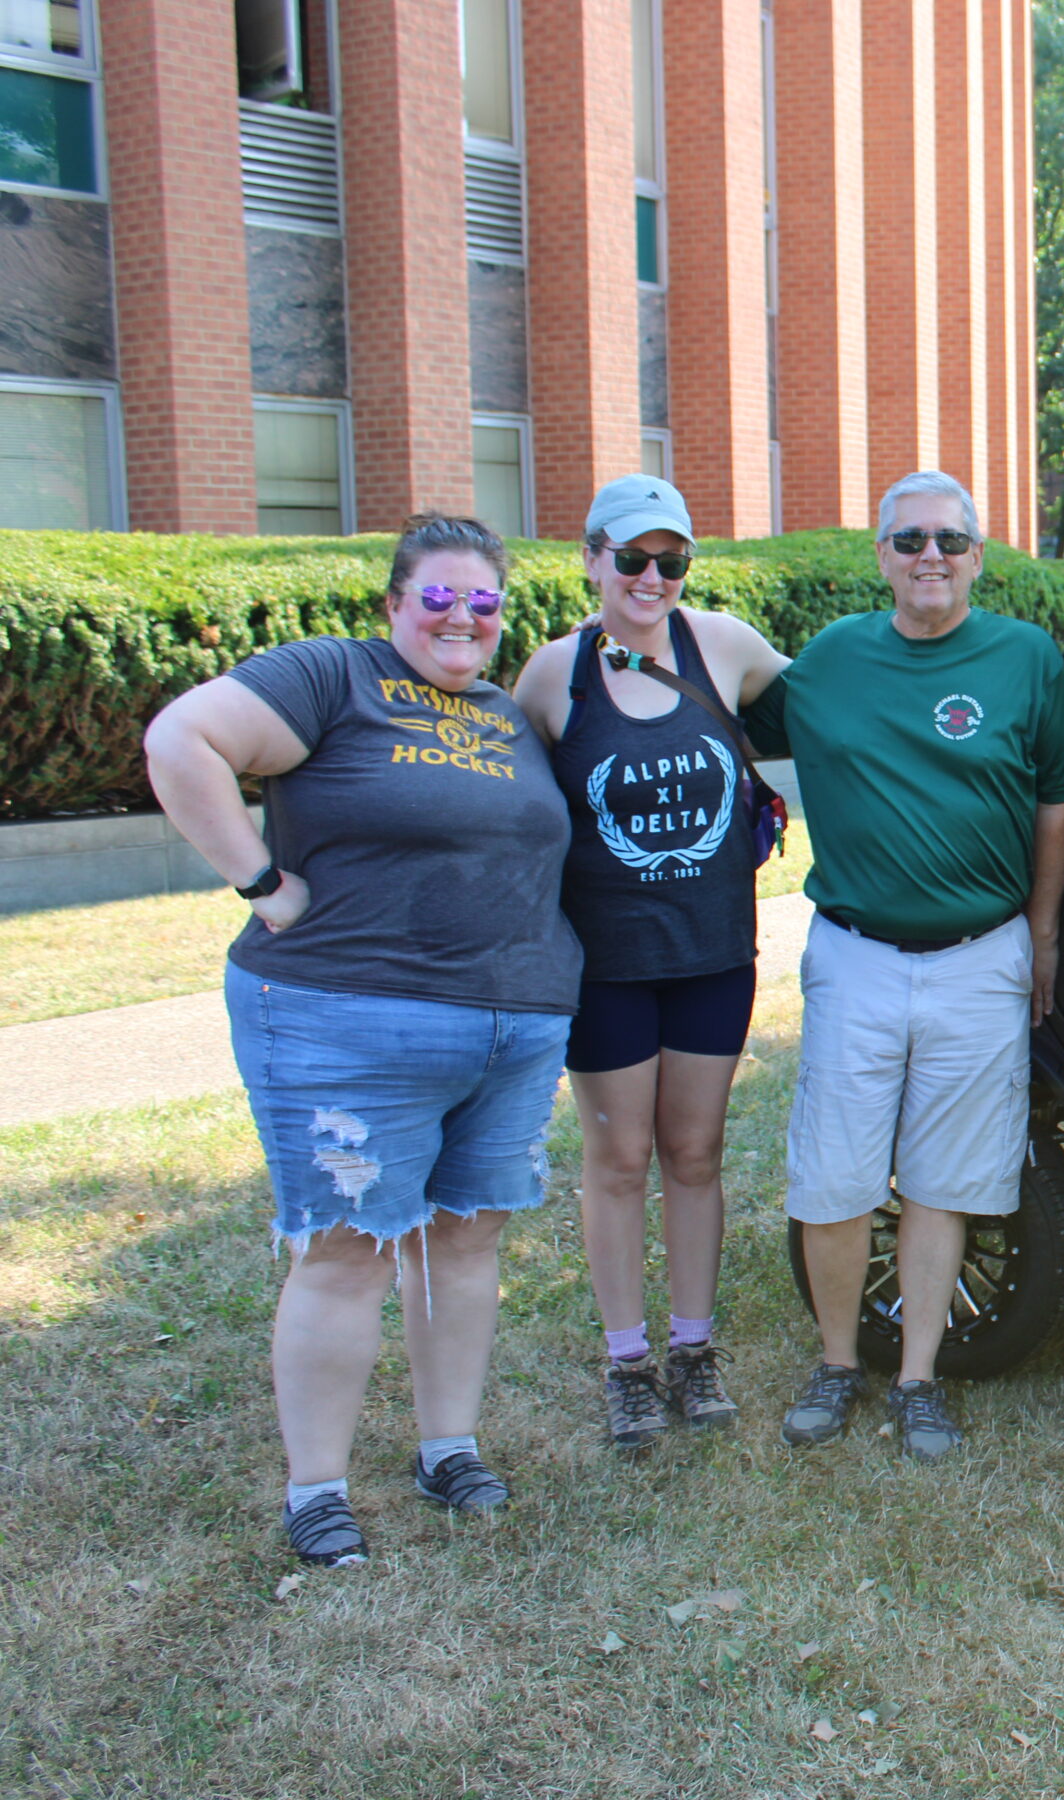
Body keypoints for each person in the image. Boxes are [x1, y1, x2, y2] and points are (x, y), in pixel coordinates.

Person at [142, 515, 580, 1566]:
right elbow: (180, 742)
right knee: (347, 1250)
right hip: (344, 1017)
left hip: (511, 1024)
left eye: (482, 601)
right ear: (394, 604)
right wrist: (262, 885)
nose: (460, 617)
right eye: (437, 596)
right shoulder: (333, 679)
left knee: (467, 1238)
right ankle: (318, 1488)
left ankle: (448, 1447)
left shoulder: (506, 715)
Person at [739, 472, 1064, 1462]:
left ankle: (920, 1377)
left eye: (949, 540)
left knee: (941, 1183)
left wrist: (1045, 932)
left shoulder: (1024, 660)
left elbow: (1057, 804)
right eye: (908, 541)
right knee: (836, 1181)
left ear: (979, 554)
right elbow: (722, 700)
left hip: (983, 957)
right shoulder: (832, 660)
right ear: (880, 556)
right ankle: (839, 1363)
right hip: (856, 958)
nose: (929, 557)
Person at [514, 476, 790, 1451]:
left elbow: (840, 720)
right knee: (620, 1157)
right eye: (630, 558)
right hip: (607, 964)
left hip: (713, 953)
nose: (650, 577)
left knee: (698, 1152)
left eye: (670, 561)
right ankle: (626, 1361)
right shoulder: (555, 677)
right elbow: (507, 813)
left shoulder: (725, 648)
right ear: (590, 558)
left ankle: (694, 1349)